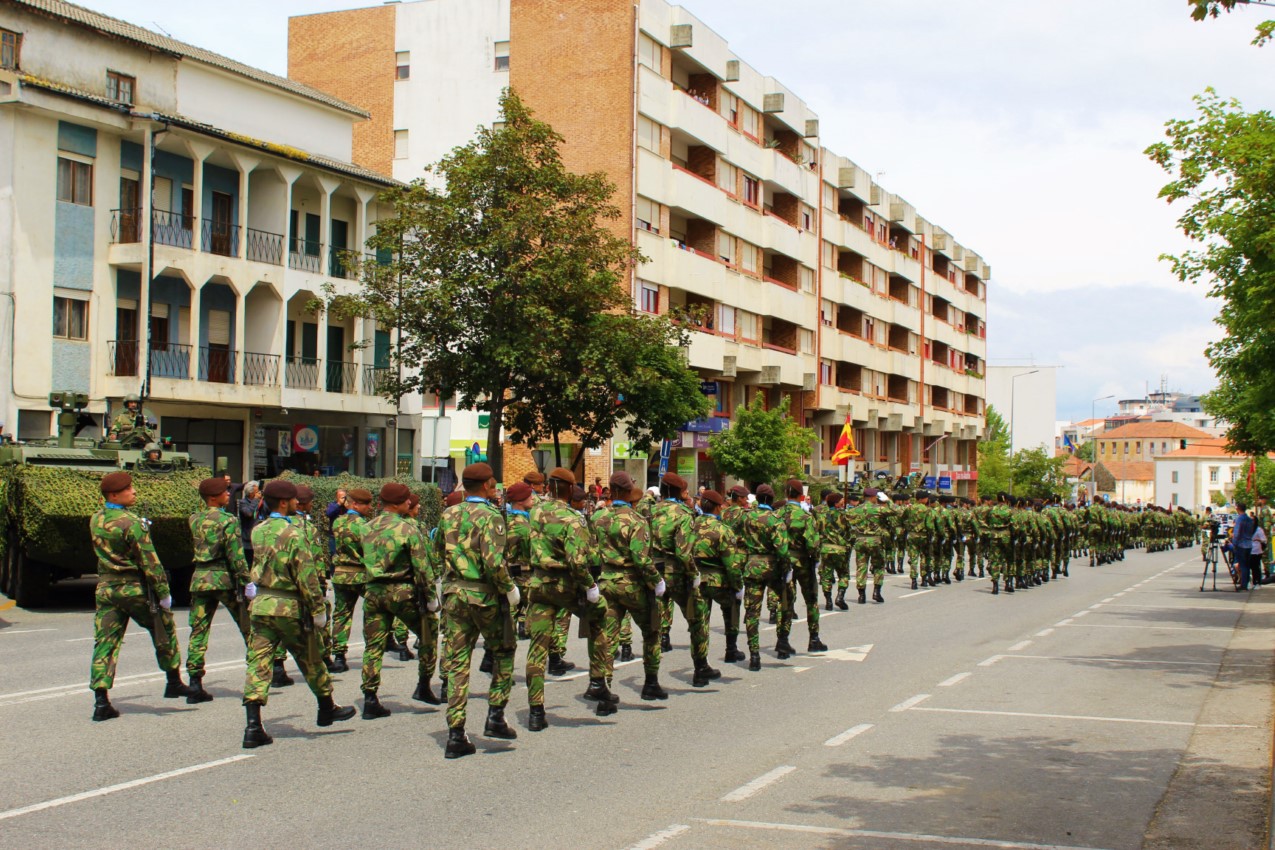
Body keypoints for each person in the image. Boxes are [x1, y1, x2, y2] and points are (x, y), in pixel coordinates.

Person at [241, 479, 356, 748]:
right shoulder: (295, 533)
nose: (297, 502)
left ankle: (253, 725)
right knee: (311, 658)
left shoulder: (259, 530)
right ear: (284, 502)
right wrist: (317, 609)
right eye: (293, 499)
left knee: (258, 663)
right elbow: (306, 575)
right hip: (289, 607)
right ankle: (327, 706)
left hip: (261, 605)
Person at [88, 471, 193, 721]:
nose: (133, 491)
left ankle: (101, 700)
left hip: (106, 588)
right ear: (114, 494)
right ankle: (173, 680)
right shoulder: (132, 522)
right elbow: (150, 561)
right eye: (128, 488)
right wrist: (164, 593)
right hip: (134, 588)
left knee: (106, 642)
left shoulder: (96, 519)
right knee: (163, 628)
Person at [434, 463, 519, 758]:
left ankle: (456, 733)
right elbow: (494, 562)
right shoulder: (491, 516)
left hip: (455, 594)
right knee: (504, 651)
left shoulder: (449, 513)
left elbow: (437, 549)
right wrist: (509, 588)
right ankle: (495, 714)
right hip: (484, 596)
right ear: (486, 485)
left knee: (458, 663)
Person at [526, 469, 610, 727]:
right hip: (565, 584)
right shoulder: (574, 520)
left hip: (539, 583)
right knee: (599, 617)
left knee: (537, 647)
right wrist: (590, 586)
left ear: (550, 486)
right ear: (571, 488)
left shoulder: (536, 511)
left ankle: (536, 712)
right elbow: (577, 562)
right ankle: (597, 681)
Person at [360, 482, 438, 719]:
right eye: (406, 500)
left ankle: (370, 698)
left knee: (373, 645)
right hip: (403, 591)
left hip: (373, 591)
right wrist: (431, 597)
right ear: (396, 503)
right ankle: (423, 685)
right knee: (428, 634)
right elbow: (421, 567)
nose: (409, 503)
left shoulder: (366, 528)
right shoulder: (408, 529)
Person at [185, 476, 254, 704]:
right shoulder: (228, 520)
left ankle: (195, 682)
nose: (228, 494)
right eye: (225, 492)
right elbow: (235, 554)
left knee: (198, 631)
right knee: (248, 626)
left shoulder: (194, 518)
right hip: (223, 578)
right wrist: (246, 581)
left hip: (200, 578)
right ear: (213, 497)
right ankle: (258, 677)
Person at [329, 488, 374, 673]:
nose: (369, 508)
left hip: (340, 573)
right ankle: (374, 648)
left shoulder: (338, 522)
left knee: (341, 614)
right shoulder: (365, 526)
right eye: (366, 504)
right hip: (360, 574)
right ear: (355, 504)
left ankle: (339, 656)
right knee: (372, 611)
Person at [1231, 502, 1257, 591]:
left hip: (1241, 545)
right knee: (1246, 565)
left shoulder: (1239, 519)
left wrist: (1234, 543)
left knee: (1242, 565)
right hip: (1249, 544)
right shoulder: (1250, 520)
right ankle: (1245, 583)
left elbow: (1237, 533)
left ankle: (1244, 585)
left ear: (1238, 508)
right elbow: (1253, 530)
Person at [239, 481, 262, 567]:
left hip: (259, 537)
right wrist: (255, 500)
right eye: (256, 492)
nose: (258, 493)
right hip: (248, 539)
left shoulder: (260, 501)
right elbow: (248, 513)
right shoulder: (243, 503)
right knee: (249, 564)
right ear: (250, 493)